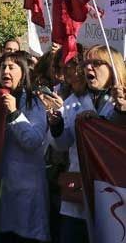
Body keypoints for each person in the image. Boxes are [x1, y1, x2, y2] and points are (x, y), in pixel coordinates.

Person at [40, 45, 126, 243]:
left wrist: (118, 116)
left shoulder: (123, 99)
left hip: (115, 194)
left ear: (114, 67)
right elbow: (61, 145)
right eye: (86, 63)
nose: (88, 68)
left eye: (96, 63)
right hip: (78, 196)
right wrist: (57, 123)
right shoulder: (74, 101)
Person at [0, 51, 50, 242]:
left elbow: (33, 141)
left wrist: (14, 114)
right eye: (3, 67)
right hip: (3, 190)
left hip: (27, 191)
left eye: (12, 67)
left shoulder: (33, 102)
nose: (6, 71)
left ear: (24, 72)